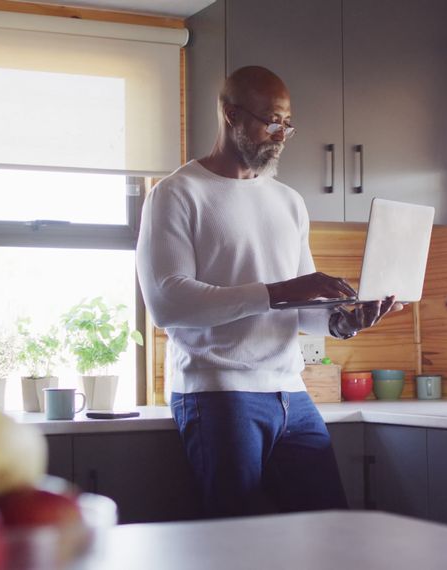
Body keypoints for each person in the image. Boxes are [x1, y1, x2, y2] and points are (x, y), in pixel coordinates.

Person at [136, 65, 402, 518]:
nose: (281, 134)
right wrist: (279, 291)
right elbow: (168, 301)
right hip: (218, 391)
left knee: (327, 531)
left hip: (290, 392)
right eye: (271, 120)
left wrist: (342, 319)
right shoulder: (177, 194)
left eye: (287, 123)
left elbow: (302, 306)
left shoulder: (289, 202)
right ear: (230, 114)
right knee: (237, 542)